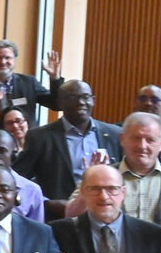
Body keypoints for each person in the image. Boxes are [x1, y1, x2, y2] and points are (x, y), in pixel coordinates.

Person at [15, 79, 121, 212]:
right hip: (59, 218)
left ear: (93, 100)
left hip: (105, 214)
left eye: (86, 97)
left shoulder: (114, 134)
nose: (81, 102)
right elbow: (17, 179)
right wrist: (45, 203)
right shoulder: (40, 137)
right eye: (73, 97)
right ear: (60, 102)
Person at [88, 111, 161, 229]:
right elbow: (72, 214)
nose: (142, 146)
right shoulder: (100, 176)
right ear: (122, 139)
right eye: (136, 138)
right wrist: (90, 181)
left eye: (150, 140)